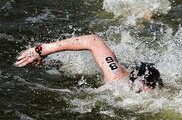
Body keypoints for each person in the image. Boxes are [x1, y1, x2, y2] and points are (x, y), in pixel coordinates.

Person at [15, 34, 163, 92]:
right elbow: (94, 41)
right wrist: (42, 49)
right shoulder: (115, 77)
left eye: (152, 86)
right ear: (135, 82)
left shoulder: (161, 94)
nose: (148, 90)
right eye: (146, 86)